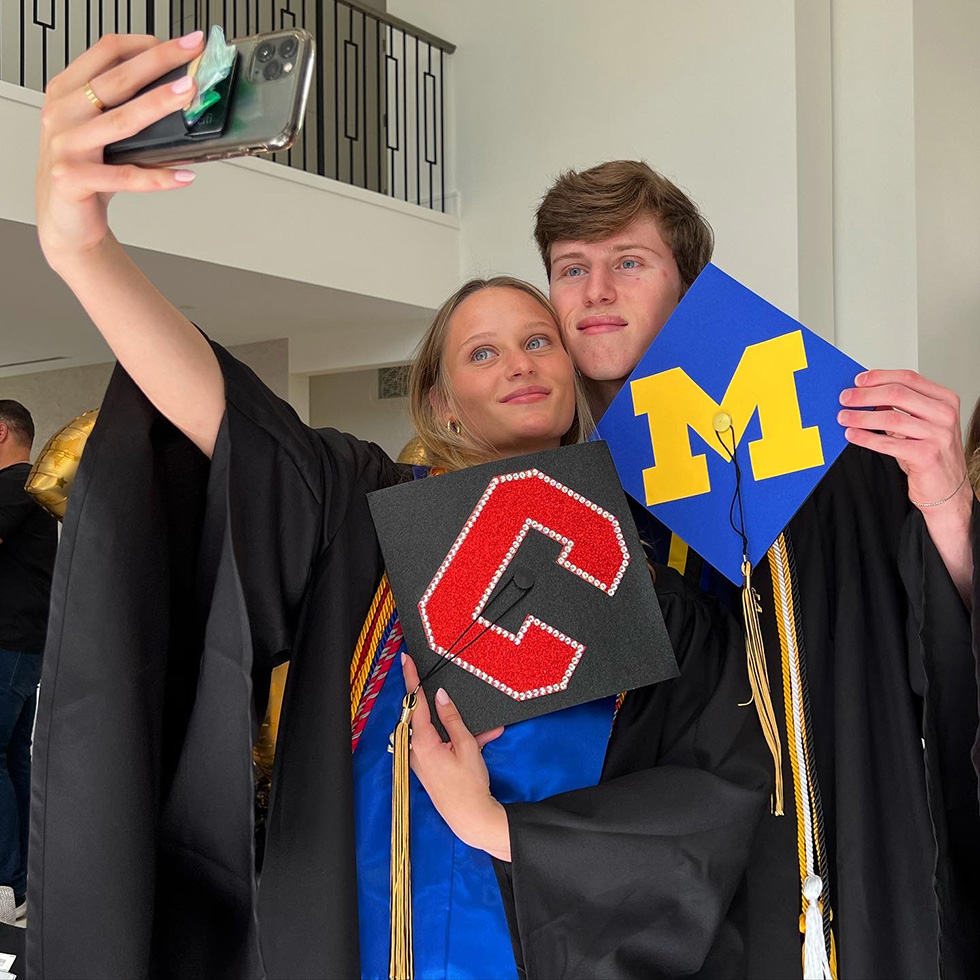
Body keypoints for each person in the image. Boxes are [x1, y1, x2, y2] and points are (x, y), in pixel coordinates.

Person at [29, 34, 771, 979]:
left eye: (538, 340)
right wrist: (83, 247)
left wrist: (500, 828)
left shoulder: (649, 566)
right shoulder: (373, 512)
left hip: (549, 945)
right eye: (482, 352)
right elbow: (232, 422)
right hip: (362, 930)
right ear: (438, 401)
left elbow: (711, 795)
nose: (519, 363)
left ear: (576, 371)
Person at [534, 159, 980, 977]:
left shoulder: (829, 459)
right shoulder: (555, 503)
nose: (596, 290)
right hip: (650, 897)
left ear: (689, 287)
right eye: (572, 268)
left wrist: (948, 506)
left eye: (628, 261)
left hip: (827, 876)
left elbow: (943, 649)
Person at [0, 401, 58, 921]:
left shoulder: (15, 485)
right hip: (22, 646)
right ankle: (21, 883)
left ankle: (8, 882)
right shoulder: (34, 488)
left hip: (9, 646)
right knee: (15, 758)